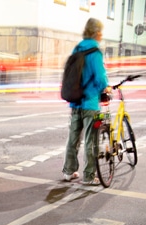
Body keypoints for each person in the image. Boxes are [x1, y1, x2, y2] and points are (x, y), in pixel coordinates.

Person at [62, 18, 110, 186]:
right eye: (101, 32)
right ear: (96, 33)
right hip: (90, 102)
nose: (101, 35)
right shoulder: (95, 51)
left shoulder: (78, 48)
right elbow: (100, 77)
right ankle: (89, 176)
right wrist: (106, 87)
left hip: (75, 101)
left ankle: (69, 171)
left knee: (73, 138)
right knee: (91, 140)